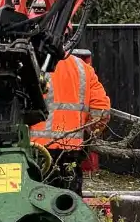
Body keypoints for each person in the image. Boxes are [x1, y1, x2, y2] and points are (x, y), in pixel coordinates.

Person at [30, 49, 111, 195]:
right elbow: (101, 111)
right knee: (68, 204)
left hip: (36, 150)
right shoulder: (82, 67)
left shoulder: (30, 64)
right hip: (70, 151)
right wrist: (92, 133)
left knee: (35, 199)